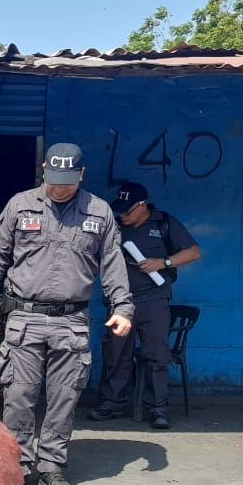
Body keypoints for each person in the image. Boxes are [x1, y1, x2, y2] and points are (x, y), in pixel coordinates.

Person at [0, 143, 133, 485]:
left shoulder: (99, 212)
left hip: (72, 320)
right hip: (24, 318)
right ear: (44, 169)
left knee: (64, 397)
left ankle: (51, 466)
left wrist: (122, 307)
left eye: (66, 180)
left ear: (81, 175)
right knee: (19, 396)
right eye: (52, 178)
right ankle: (17, 467)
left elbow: (112, 262)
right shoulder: (20, 205)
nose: (58, 187)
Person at [89, 180, 201, 429]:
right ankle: (113, 403)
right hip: (121, 301)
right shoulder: (115, 227)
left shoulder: (163, 223)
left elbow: (194, 252)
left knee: (157, 355)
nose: (123, 215)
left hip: (154, 299)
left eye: (128, 210)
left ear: (142, 206)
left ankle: (158, 408)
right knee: (116, 353)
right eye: (121, 210)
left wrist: (163, 263)